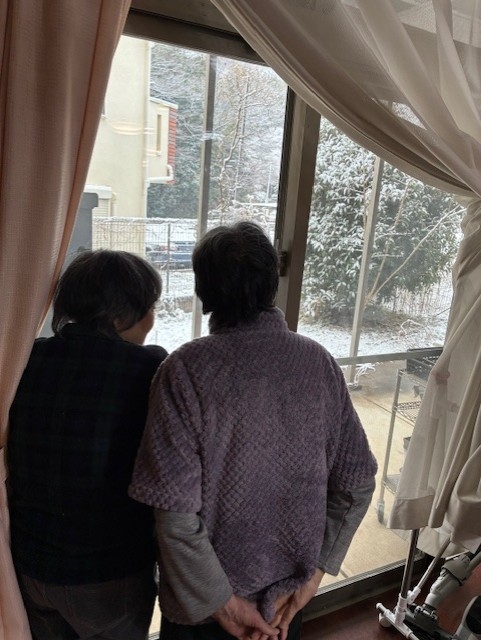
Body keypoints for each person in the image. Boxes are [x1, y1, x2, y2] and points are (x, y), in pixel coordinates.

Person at [129, 221, 377, 640]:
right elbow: (357, 484)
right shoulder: (318, 363)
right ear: (271, 285)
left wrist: (226, 606)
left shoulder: (184, 371)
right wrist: (314, 575)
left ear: (204, 291)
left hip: (206, 611)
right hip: (284, 605)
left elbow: (174, 515)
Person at [7, 249, 168, 640]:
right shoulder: (146, 368)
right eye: (149, 308)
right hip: (107, 574)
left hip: (30, 566)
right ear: (119, 316)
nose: (151, 319)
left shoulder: (26, 358)